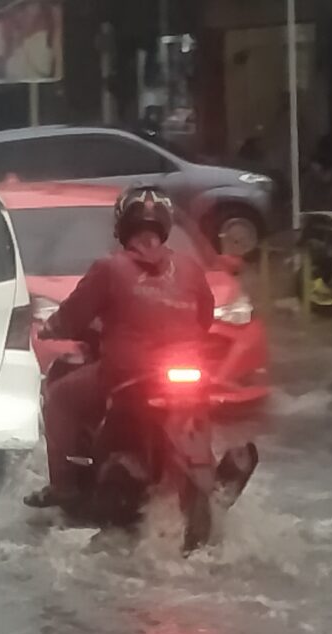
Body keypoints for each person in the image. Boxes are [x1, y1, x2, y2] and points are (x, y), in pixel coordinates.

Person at [24, 185, 215, 509]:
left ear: (122, 225)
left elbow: (72, 316)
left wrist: (50, 329)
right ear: (165, 225)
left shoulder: (109, 268)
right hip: (189, 375)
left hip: (128, 374)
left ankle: (64, 487)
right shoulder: (191, 268)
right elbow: (205, 317)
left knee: (58, 400)